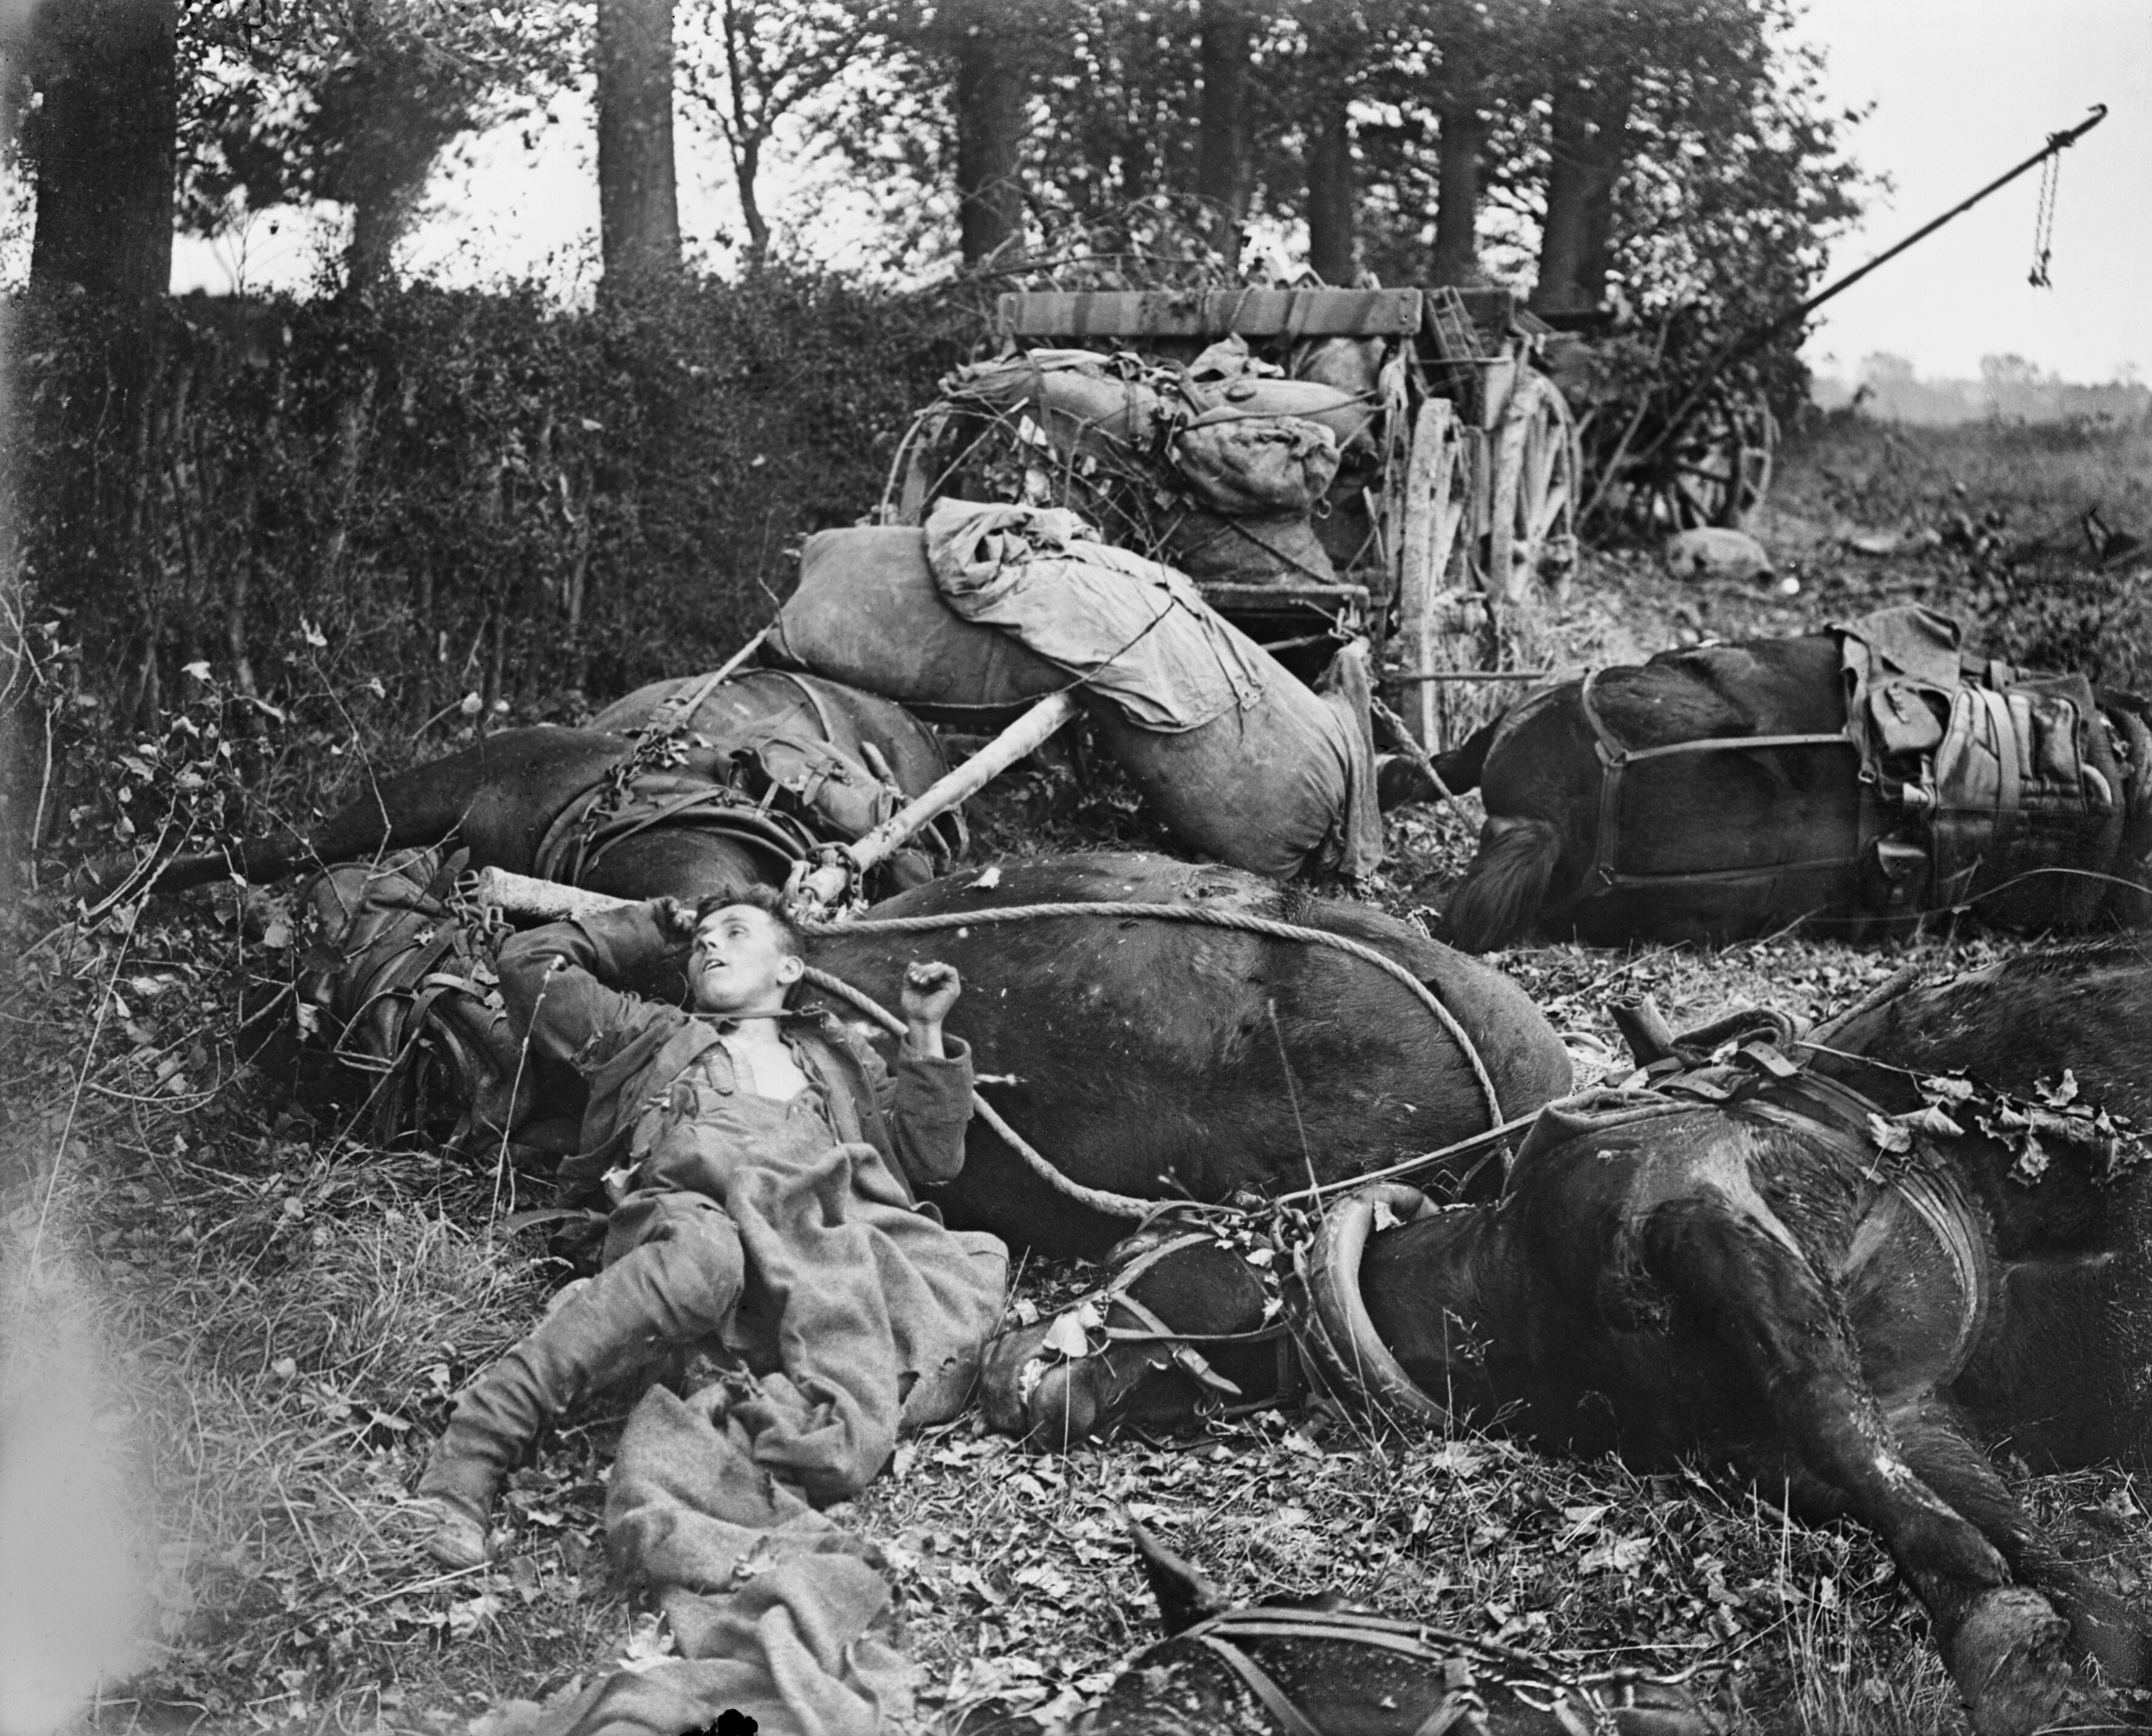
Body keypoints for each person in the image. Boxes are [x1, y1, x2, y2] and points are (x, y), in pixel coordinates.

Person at [413, 886, 1009, 1569]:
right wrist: (650, 922)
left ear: (789, 969)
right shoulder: (651, 1034)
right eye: (702, 943)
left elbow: (932, 1160)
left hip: (816, 1240)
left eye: (734, 932)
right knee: (704, 1261)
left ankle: (751, 1384)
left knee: (955, 1269)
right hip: (699, 1217)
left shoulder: (839, 1058)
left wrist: (925, 1032)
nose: (710, 945)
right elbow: (529, 963)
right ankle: (472, 1453)